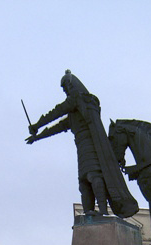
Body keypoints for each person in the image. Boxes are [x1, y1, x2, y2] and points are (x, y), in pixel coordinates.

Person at [26, 70, 139, 219]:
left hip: (94, 145)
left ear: (73, 84)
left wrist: (37, 124)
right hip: (81, 148)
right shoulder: (73, 115)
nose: (65, 90)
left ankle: (103, 212)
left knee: (95, 176)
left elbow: (57, 111)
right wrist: (37, 137)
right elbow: (56, 128)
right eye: (63, 88)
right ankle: (88, 213)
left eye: (66, 86)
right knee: (83, 182)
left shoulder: (82, 99)